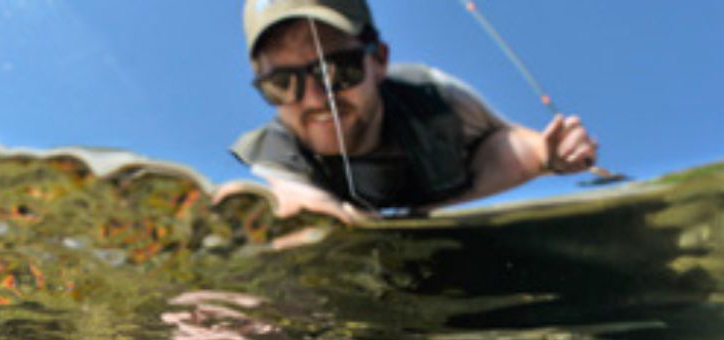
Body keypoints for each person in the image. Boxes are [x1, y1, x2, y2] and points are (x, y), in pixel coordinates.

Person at [230, 0, 600, 220]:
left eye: (336, 71)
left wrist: (547, 154)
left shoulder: (434, 97)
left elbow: (506, 143)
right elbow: (293, 200)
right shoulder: (266, 155)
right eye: (281, 83)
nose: (314, 99)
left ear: (380, 60)